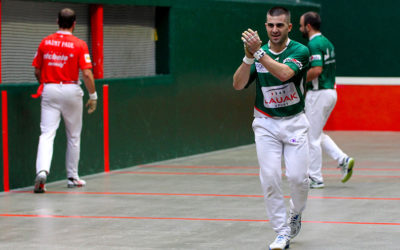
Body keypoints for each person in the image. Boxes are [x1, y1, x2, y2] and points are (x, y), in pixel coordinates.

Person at [233, 6, 310, 250]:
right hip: (265, 124)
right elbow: (237, 85)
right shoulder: (258, 53)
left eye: (279, 25)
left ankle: (295, 213)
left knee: (298, 179)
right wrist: (248, 57)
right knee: (270, 178)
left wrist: (257, 54)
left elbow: (285, 74)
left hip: (295, 124)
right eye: (270, 25)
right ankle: (281, 232)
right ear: (265, 26)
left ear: (289, 27)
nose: (274, 30)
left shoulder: (300, 50)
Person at [32, 8, 97, 193]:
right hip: (71, 90)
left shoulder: (45, 42)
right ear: (74, 24)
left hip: (49, 89)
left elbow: (37, 70)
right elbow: (86, 73)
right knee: (74, 136)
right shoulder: (79, 44)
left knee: (46, 134)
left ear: (57, 21)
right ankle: (72, 177)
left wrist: (47, 86)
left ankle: (42, 172)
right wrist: (93, 96)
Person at [299, 11, 354, 189]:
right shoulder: (327, 42)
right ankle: (343, 159)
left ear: (308, 26)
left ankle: (315, 177)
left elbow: (316, 70)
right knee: (316, 133)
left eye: (301, 25)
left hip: (319, 94)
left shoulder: (314, 44)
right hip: (331, 92)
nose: (300, 28)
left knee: (311, 138)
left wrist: (297, 80)